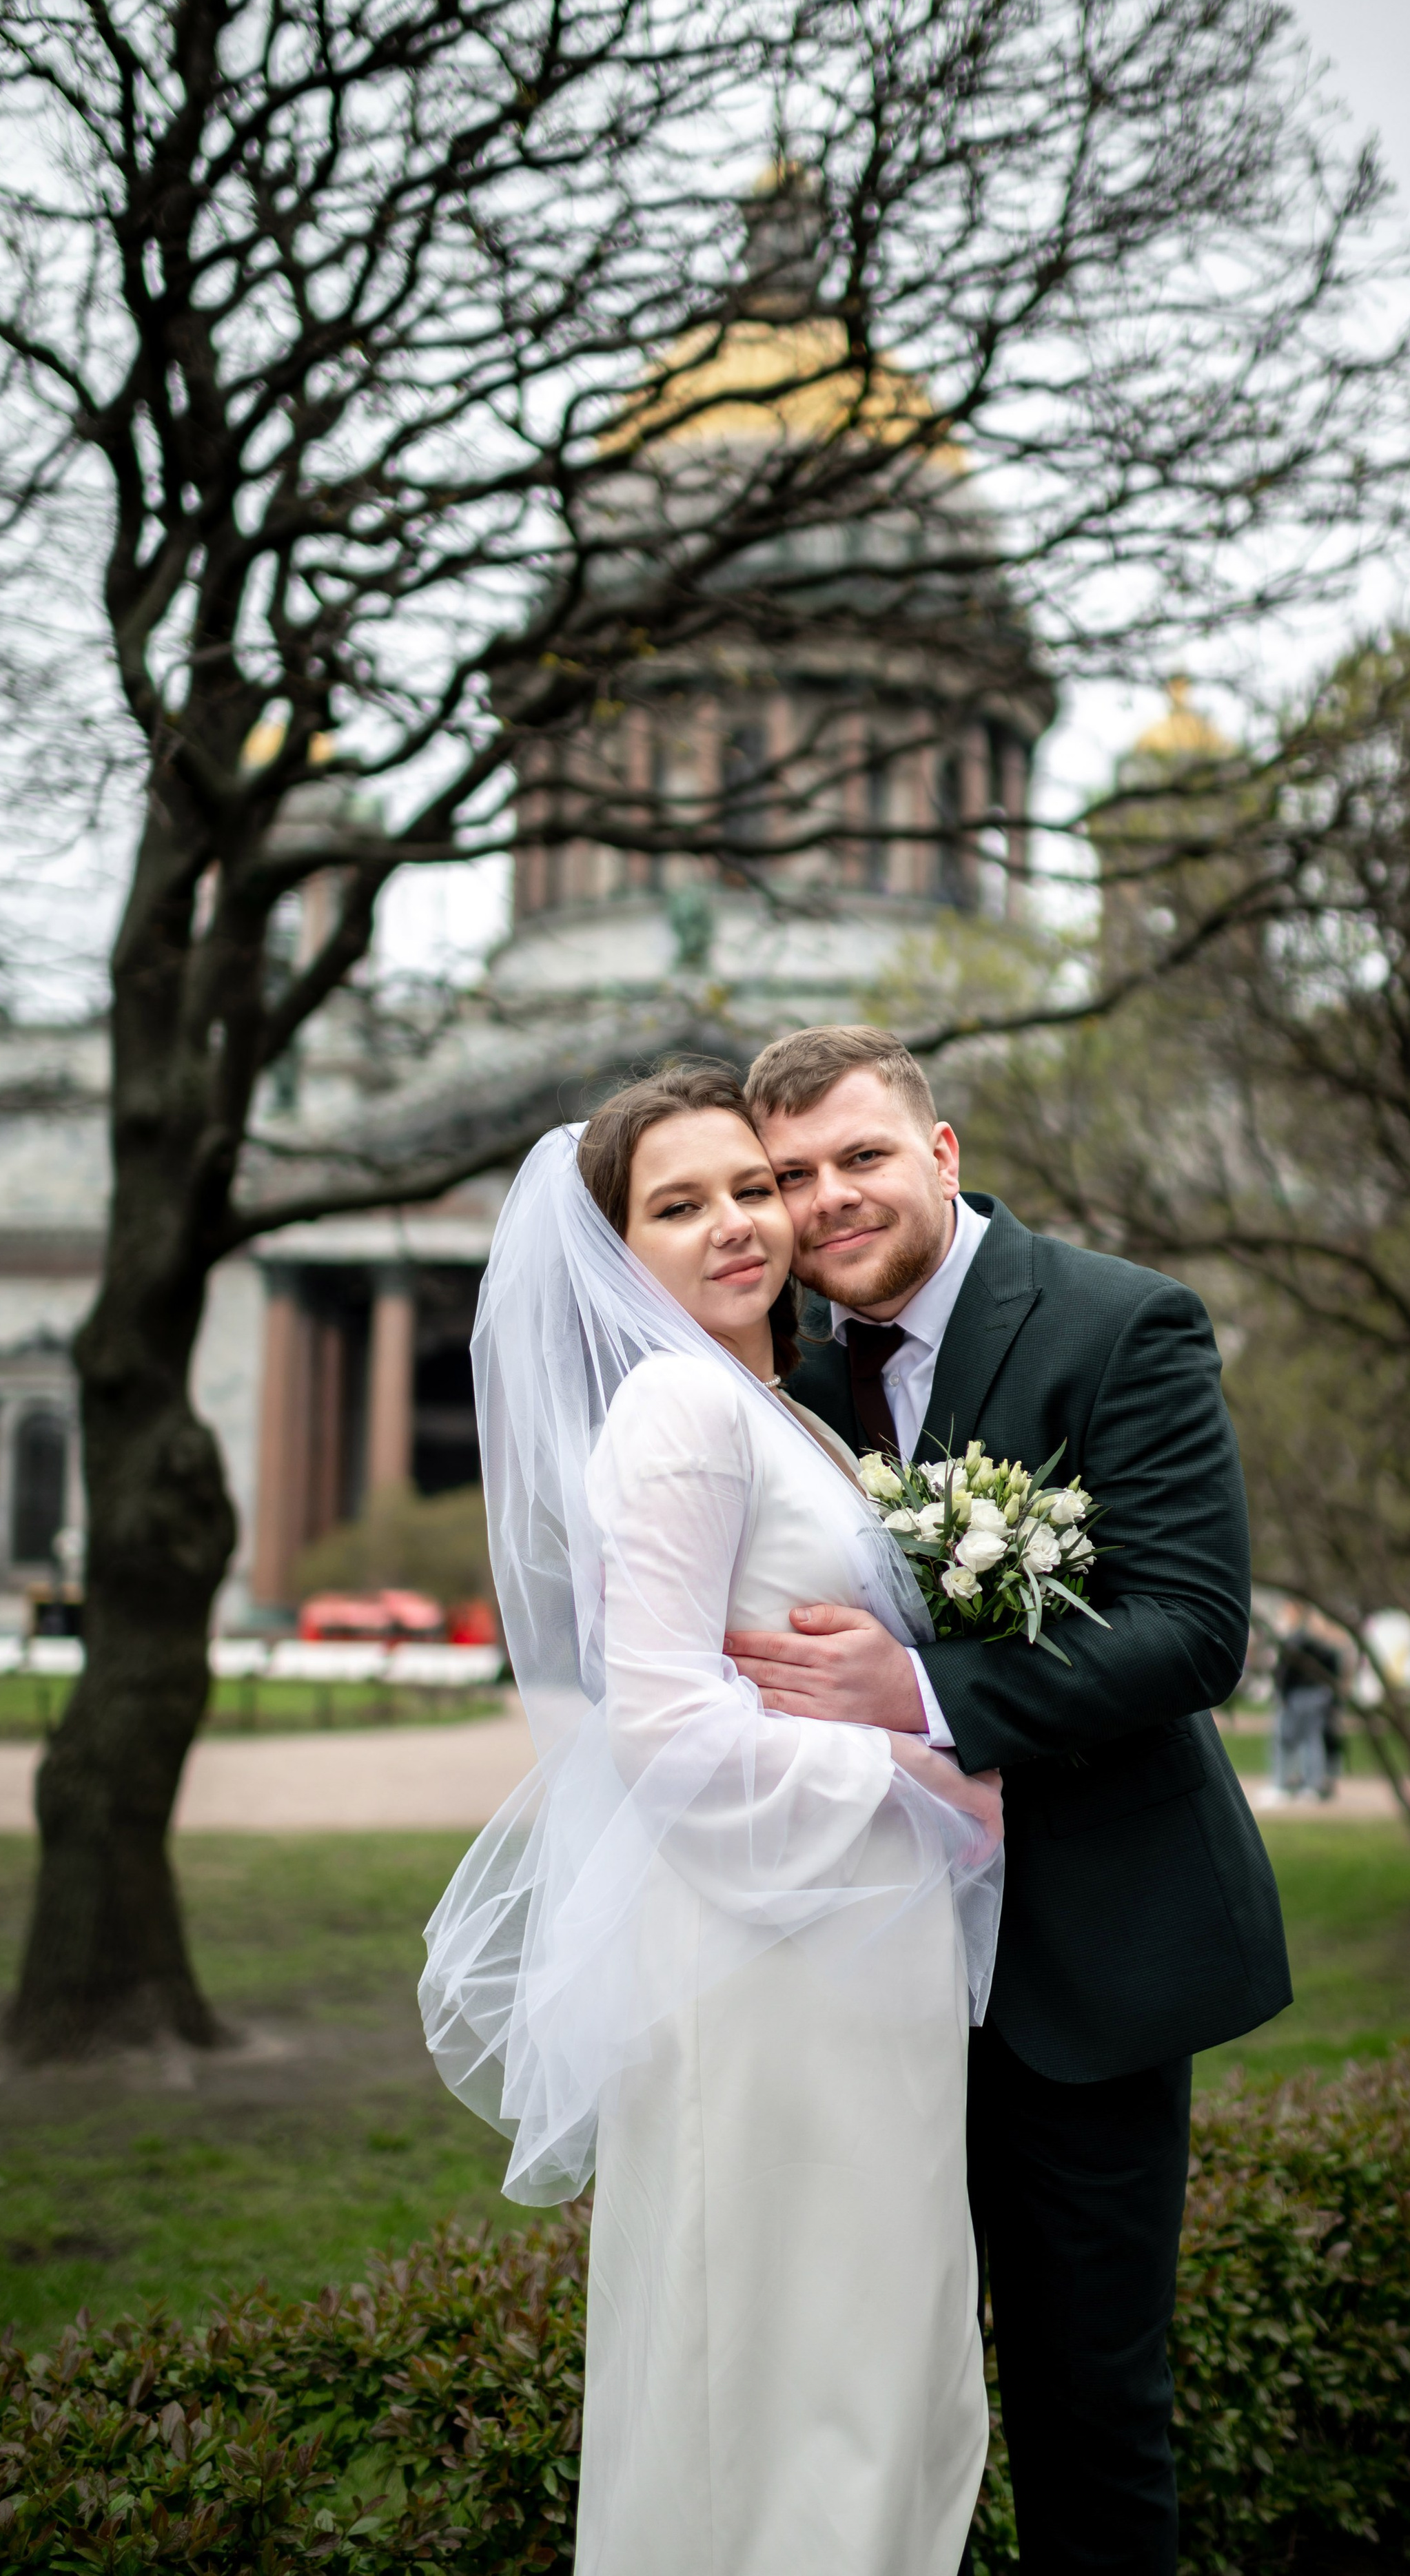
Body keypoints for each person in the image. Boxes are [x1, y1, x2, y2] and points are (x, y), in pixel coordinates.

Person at [418, 1064, 1005, 2576]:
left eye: (751, 1186)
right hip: (767, 1961)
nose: (738, 1224)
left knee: (864, 2349)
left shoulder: (769, 1406)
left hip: (840, 1950)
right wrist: (912, 1776)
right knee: (784, 2371)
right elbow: (662, 1723)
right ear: (619, 1251)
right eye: (677, 1206)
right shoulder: (681, 1407)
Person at [726, 1024, 1292, 2576]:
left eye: (857, 1158)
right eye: (788, 1178)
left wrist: (917, 1694)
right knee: (872, 2387)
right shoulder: (769, 1371)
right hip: (856, 1965)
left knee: (1084, 2394)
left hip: (1079, 1956)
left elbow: (1191, 1630)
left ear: (941, 1151)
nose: (826, 1201)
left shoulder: (1117, 1321)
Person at [1271, 1608, 1345, 1802]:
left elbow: (1286, 1671)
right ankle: (1309, 1783)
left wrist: (1284, 1694)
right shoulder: (1325, 1646)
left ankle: (1288, 1783)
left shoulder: (1299, 1643)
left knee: (1292, 1740)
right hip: (1318, 1695)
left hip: (1302, 1695)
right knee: (1311, 1741)